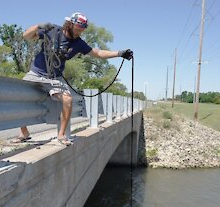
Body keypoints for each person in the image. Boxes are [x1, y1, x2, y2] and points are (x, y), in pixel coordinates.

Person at [12, 12, 133, 146]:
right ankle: (24, 132)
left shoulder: (78, 43)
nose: (80, 32)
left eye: (82, 30)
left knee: (68, 99)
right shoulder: (52, 30)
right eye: (78, 28)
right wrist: (38, 26)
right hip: (35, 72)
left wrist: (120, 53)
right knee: (18, 96)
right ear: (70, 24)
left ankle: (61, 134)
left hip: (54, 78)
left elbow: (97, 53)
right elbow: (26, 36)